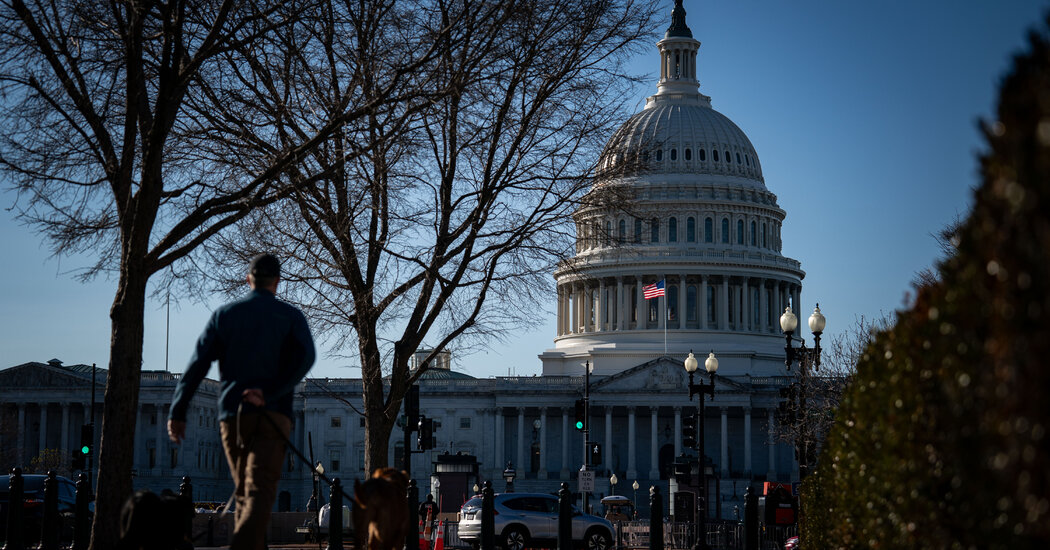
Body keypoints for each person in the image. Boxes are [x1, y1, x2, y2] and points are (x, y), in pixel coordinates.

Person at [168, 253, 315, 550]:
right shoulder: (290, 317)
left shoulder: (225, 315)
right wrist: (271, 391)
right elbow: (307, 358)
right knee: (258, 494)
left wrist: (178, 410)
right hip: (273, 414)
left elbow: (197, 364)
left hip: (232, 416)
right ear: (277, 282)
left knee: (247, 495)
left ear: (248, 280)